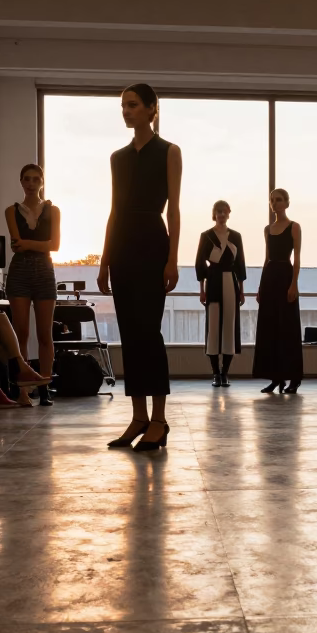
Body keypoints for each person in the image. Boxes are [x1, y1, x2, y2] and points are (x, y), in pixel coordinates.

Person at [98, 83, 181, 449]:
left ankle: (159, 420)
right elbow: (114, 210)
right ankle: (138, 418)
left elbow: (174, 209)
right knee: (130, 334)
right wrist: (104, 260)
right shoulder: (117, 157)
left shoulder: (169, 151)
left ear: (152, 108)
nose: (126, 111)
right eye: (123, 106)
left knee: (149, 333)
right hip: (122, 248)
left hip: (152, 241)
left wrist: (173, 259)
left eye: (133, 105)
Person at [4, 163, 59, 406]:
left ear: (42, 182)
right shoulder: (11, 211)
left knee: (45, 334)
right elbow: (17, 244)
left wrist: (28, 244)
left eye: (36, 179)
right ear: (21, 181)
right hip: (20, 272)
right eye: (27, 178)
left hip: (44, 271)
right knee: (21, 333)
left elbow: (55, 245)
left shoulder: (53, 210)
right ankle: (24, 391)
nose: (31, 183)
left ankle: (45, 388)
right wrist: (37, 243)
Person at [253, 188, 303, 394]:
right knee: (270, 329)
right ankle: (276, 378)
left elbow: (297, 258)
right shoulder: (267, 229)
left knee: (288, 328)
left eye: (279, 200)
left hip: (285, 275)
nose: (275, 203)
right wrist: (260, 287)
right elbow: (266, 259)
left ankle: (294, 378)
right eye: (272, 200)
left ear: (287, 203)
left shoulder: (294, 227)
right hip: (270, 278)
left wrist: (294, 284)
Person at [196, 200, 246, 387]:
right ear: (214, 213)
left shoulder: (236, 236)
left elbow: (240, 263)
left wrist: (242, 291)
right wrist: (201, 290)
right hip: (214, 282)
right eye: (219, 211)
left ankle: (225, 372)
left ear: (228, 213)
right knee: (214, 328)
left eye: (224, 211)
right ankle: (215, 373)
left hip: (230, 283)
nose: (222, 214)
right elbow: (200, 263)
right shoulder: (207, 236)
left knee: (229, 328)